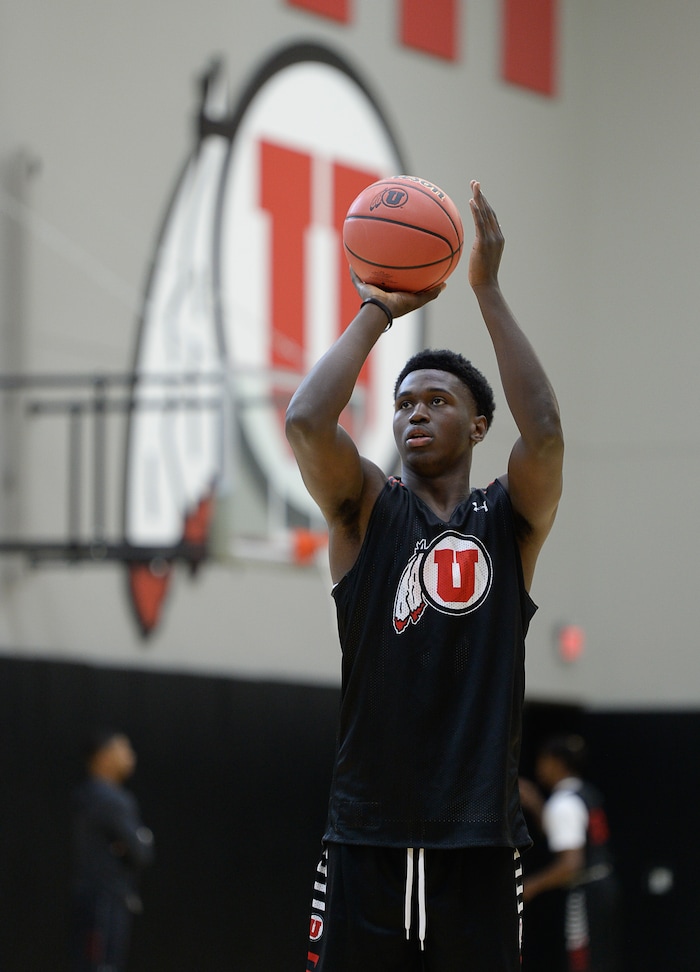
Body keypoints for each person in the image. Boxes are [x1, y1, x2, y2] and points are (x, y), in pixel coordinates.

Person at [286, 179, 564, 971]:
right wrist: (379, 306)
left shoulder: (506, 520)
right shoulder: (367, 510)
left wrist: (486, 289)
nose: (414, 412)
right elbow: (307, 419)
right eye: (404, 402)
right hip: (364, 837)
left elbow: (543, 432)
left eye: (436, 400)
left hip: (476, 840)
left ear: (477, 426)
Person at [520, 735, 621, 972]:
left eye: (542, 760)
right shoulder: (585, 791)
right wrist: (536, 804)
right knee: (601, 957)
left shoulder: (563, 803)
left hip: (585, 892)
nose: (539, 767)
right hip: (604, 885)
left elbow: (570, 864)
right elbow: (564, 832)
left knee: (581, 960)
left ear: (556, 762)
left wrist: (529, 887)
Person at [70, 729, 154, 972]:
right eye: (123, 749)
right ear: (104, 756)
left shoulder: (85, 795)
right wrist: (142, 839)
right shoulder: (111, 799)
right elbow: (141, 851)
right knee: (102, 966)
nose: (131, 756)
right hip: (105, 900)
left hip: (91, 897)